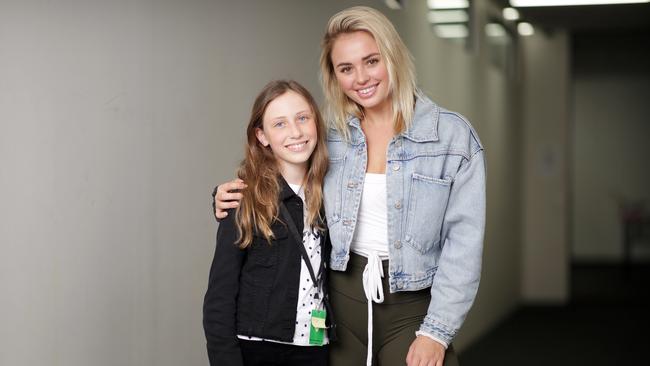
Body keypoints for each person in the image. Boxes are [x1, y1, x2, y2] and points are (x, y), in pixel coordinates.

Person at [214, 6, 485, 366]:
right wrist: (227, 196)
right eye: (346, 68)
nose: (361, 77)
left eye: (371, 61)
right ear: (334, 76)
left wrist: (437, 332)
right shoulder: (330, 136)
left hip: (412, 304)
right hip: (339, 305)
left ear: (393, 57)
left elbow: (464, 245)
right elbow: (280, 179)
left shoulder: (452, 138)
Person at [203, 80, 334, 366]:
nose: (296, 132)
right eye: (280, 124)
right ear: (262, 136)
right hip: (258, 351)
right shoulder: (243, 199)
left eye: (302, 118)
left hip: (316, 349)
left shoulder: (334, 196)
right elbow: (219, 301)